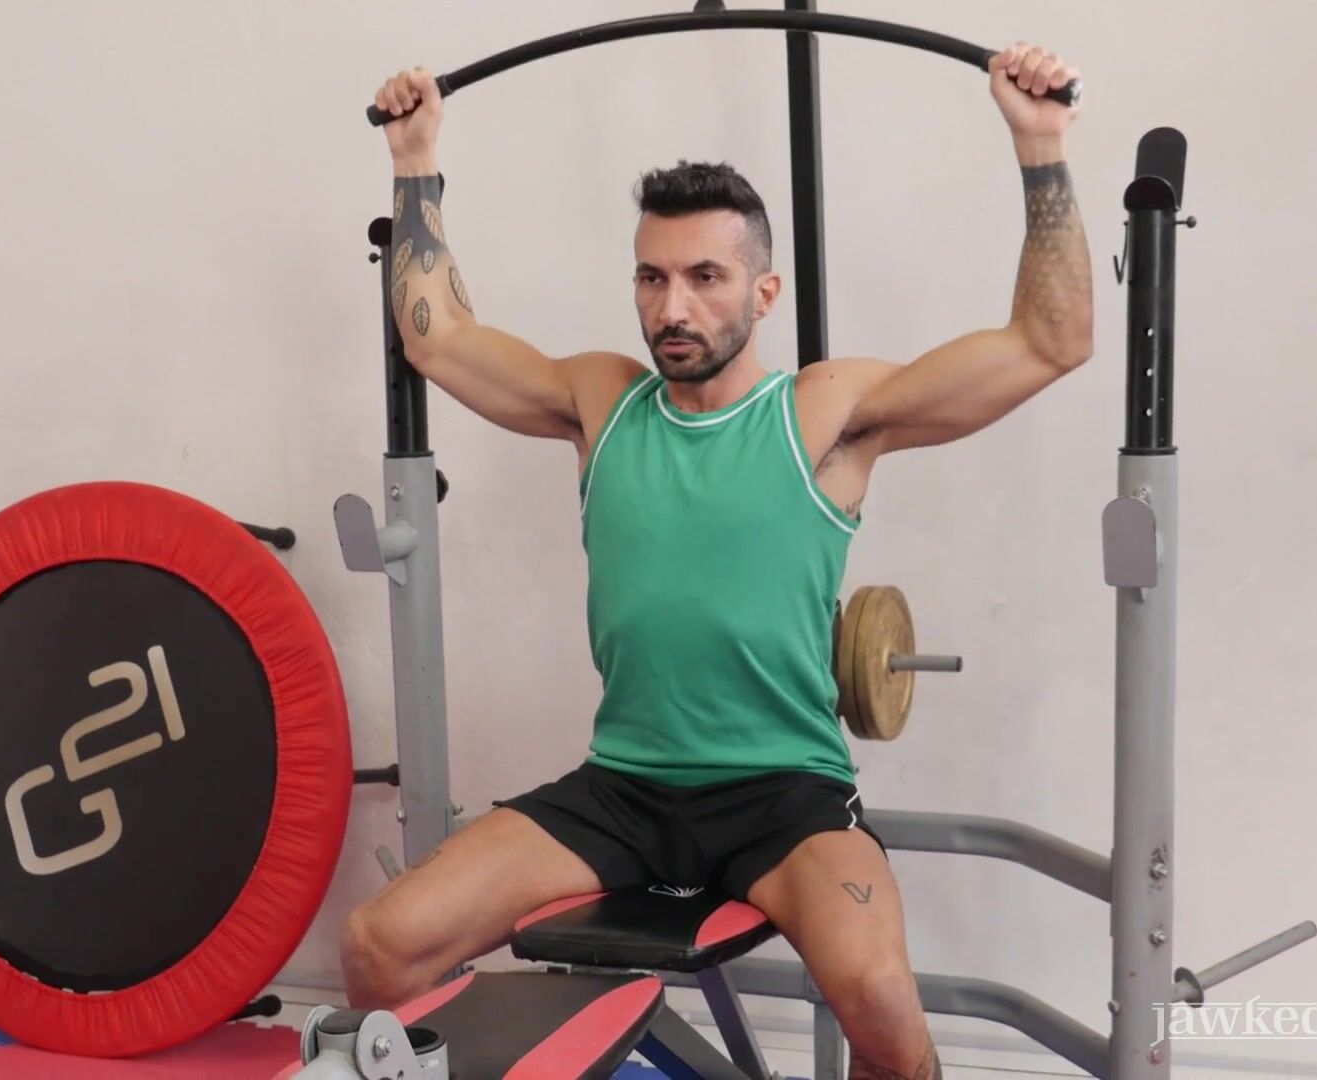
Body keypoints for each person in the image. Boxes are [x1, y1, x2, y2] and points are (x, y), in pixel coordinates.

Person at [346, 42, 1092, 1080]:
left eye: (705, 278)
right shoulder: (602, 401)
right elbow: (440, 339)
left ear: (763, 289)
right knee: (379, 944)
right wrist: (416, 160)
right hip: (623, 790)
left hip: (783, 797)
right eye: (652, 278)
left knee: (880, 997)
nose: (673, 308)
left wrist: (1040, 145)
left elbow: (1051, 343)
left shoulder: (822, 414)